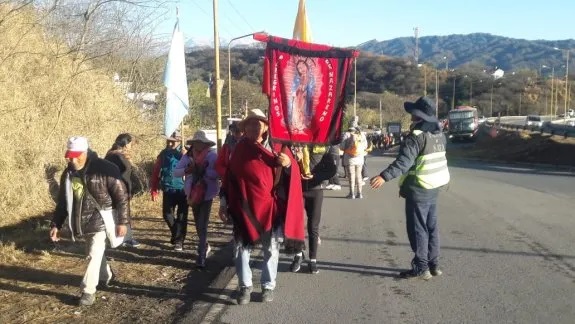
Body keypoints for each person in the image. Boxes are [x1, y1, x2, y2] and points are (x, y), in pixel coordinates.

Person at [221, 108, 304, 305]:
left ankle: (268, 286)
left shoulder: (279, 149)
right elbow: (229, 179)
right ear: (245, 128)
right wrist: (224, 203)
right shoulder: (239, 150)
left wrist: (287, 166)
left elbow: (294, 178)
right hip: (244, 207)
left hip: (269, 208)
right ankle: (245, 286)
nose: (254, 127)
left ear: (266, 127)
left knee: (271, 249)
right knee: (241, 249)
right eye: (250, 124)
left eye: (258, 123)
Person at [370, 96, 450, 280]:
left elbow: (404, 163)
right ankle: (433, 263)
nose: (411, 116)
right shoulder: (439, 135)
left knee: (418, 229)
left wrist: (384, 176)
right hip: (434, 187)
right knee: (431, 226)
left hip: (419, 189)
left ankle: (421, 266)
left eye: (413, 113)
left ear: (417, 115)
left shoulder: (416, 137)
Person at [50, 136, 129, 306]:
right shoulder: (68, 174)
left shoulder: (106, 168)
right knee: (94, 253)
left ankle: (88, 291)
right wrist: (56, 224)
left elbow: (121, 197)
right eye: (69, 155)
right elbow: (63, 202)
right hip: (81, 222)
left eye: (75, 155)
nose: (71, 159)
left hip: (100, 220)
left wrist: (122, 222)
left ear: (85, 153)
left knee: (93, 253)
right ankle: (106, 275)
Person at [173, 131, 219, 268]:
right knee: (198, 224)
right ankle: (204, 245)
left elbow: (217, 174)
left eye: (200, 143)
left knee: (202, 224)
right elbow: (176, 172)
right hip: (192, 194)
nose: (197, 145)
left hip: (207, 194)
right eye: (195, 143)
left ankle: (202, 256)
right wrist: (188, 170)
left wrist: (203, 170)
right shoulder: (188, 157)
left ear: (205, 144)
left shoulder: (212, 156)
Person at [290, 144, 337, 274]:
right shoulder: (294, 144)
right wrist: (295, 159)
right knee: (296, 225)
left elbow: (331, 170)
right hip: (297, 189)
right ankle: (298, 255)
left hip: (315, 190)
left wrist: (316, 176)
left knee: (313, 226)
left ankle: (313, 259)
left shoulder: (322, 146)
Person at [150, 131, 188, 251]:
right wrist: (154, 189)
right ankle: (177, 234)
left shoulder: (185, 153)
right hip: (168, 188)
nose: (170, 143)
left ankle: (179, 241)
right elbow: (156, 171)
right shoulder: (163, 154)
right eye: (169, 141)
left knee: (182, 216)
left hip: (183, 189)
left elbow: (194, 167)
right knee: (167, 214)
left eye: (173, 141)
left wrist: (186, 156)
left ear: (179, 141)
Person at [105, 133, 140, 248]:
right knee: (124, 213)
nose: (131, 146)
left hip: (113, 188)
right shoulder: (119, 156)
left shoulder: (110, 154)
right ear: (125, 144)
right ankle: (126, 239)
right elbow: (123, 175)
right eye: (130, 143)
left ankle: (120, 238)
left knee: (117, 213)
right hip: (121, 189)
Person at [341, 127, 367, 199]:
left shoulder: (347, 134)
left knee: (351, 176)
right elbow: (365, 146)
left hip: (350, 159)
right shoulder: (361, 134)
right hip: (360, 159)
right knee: (359, 176)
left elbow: (342, 147)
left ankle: (351, 194)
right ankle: (360, 193)